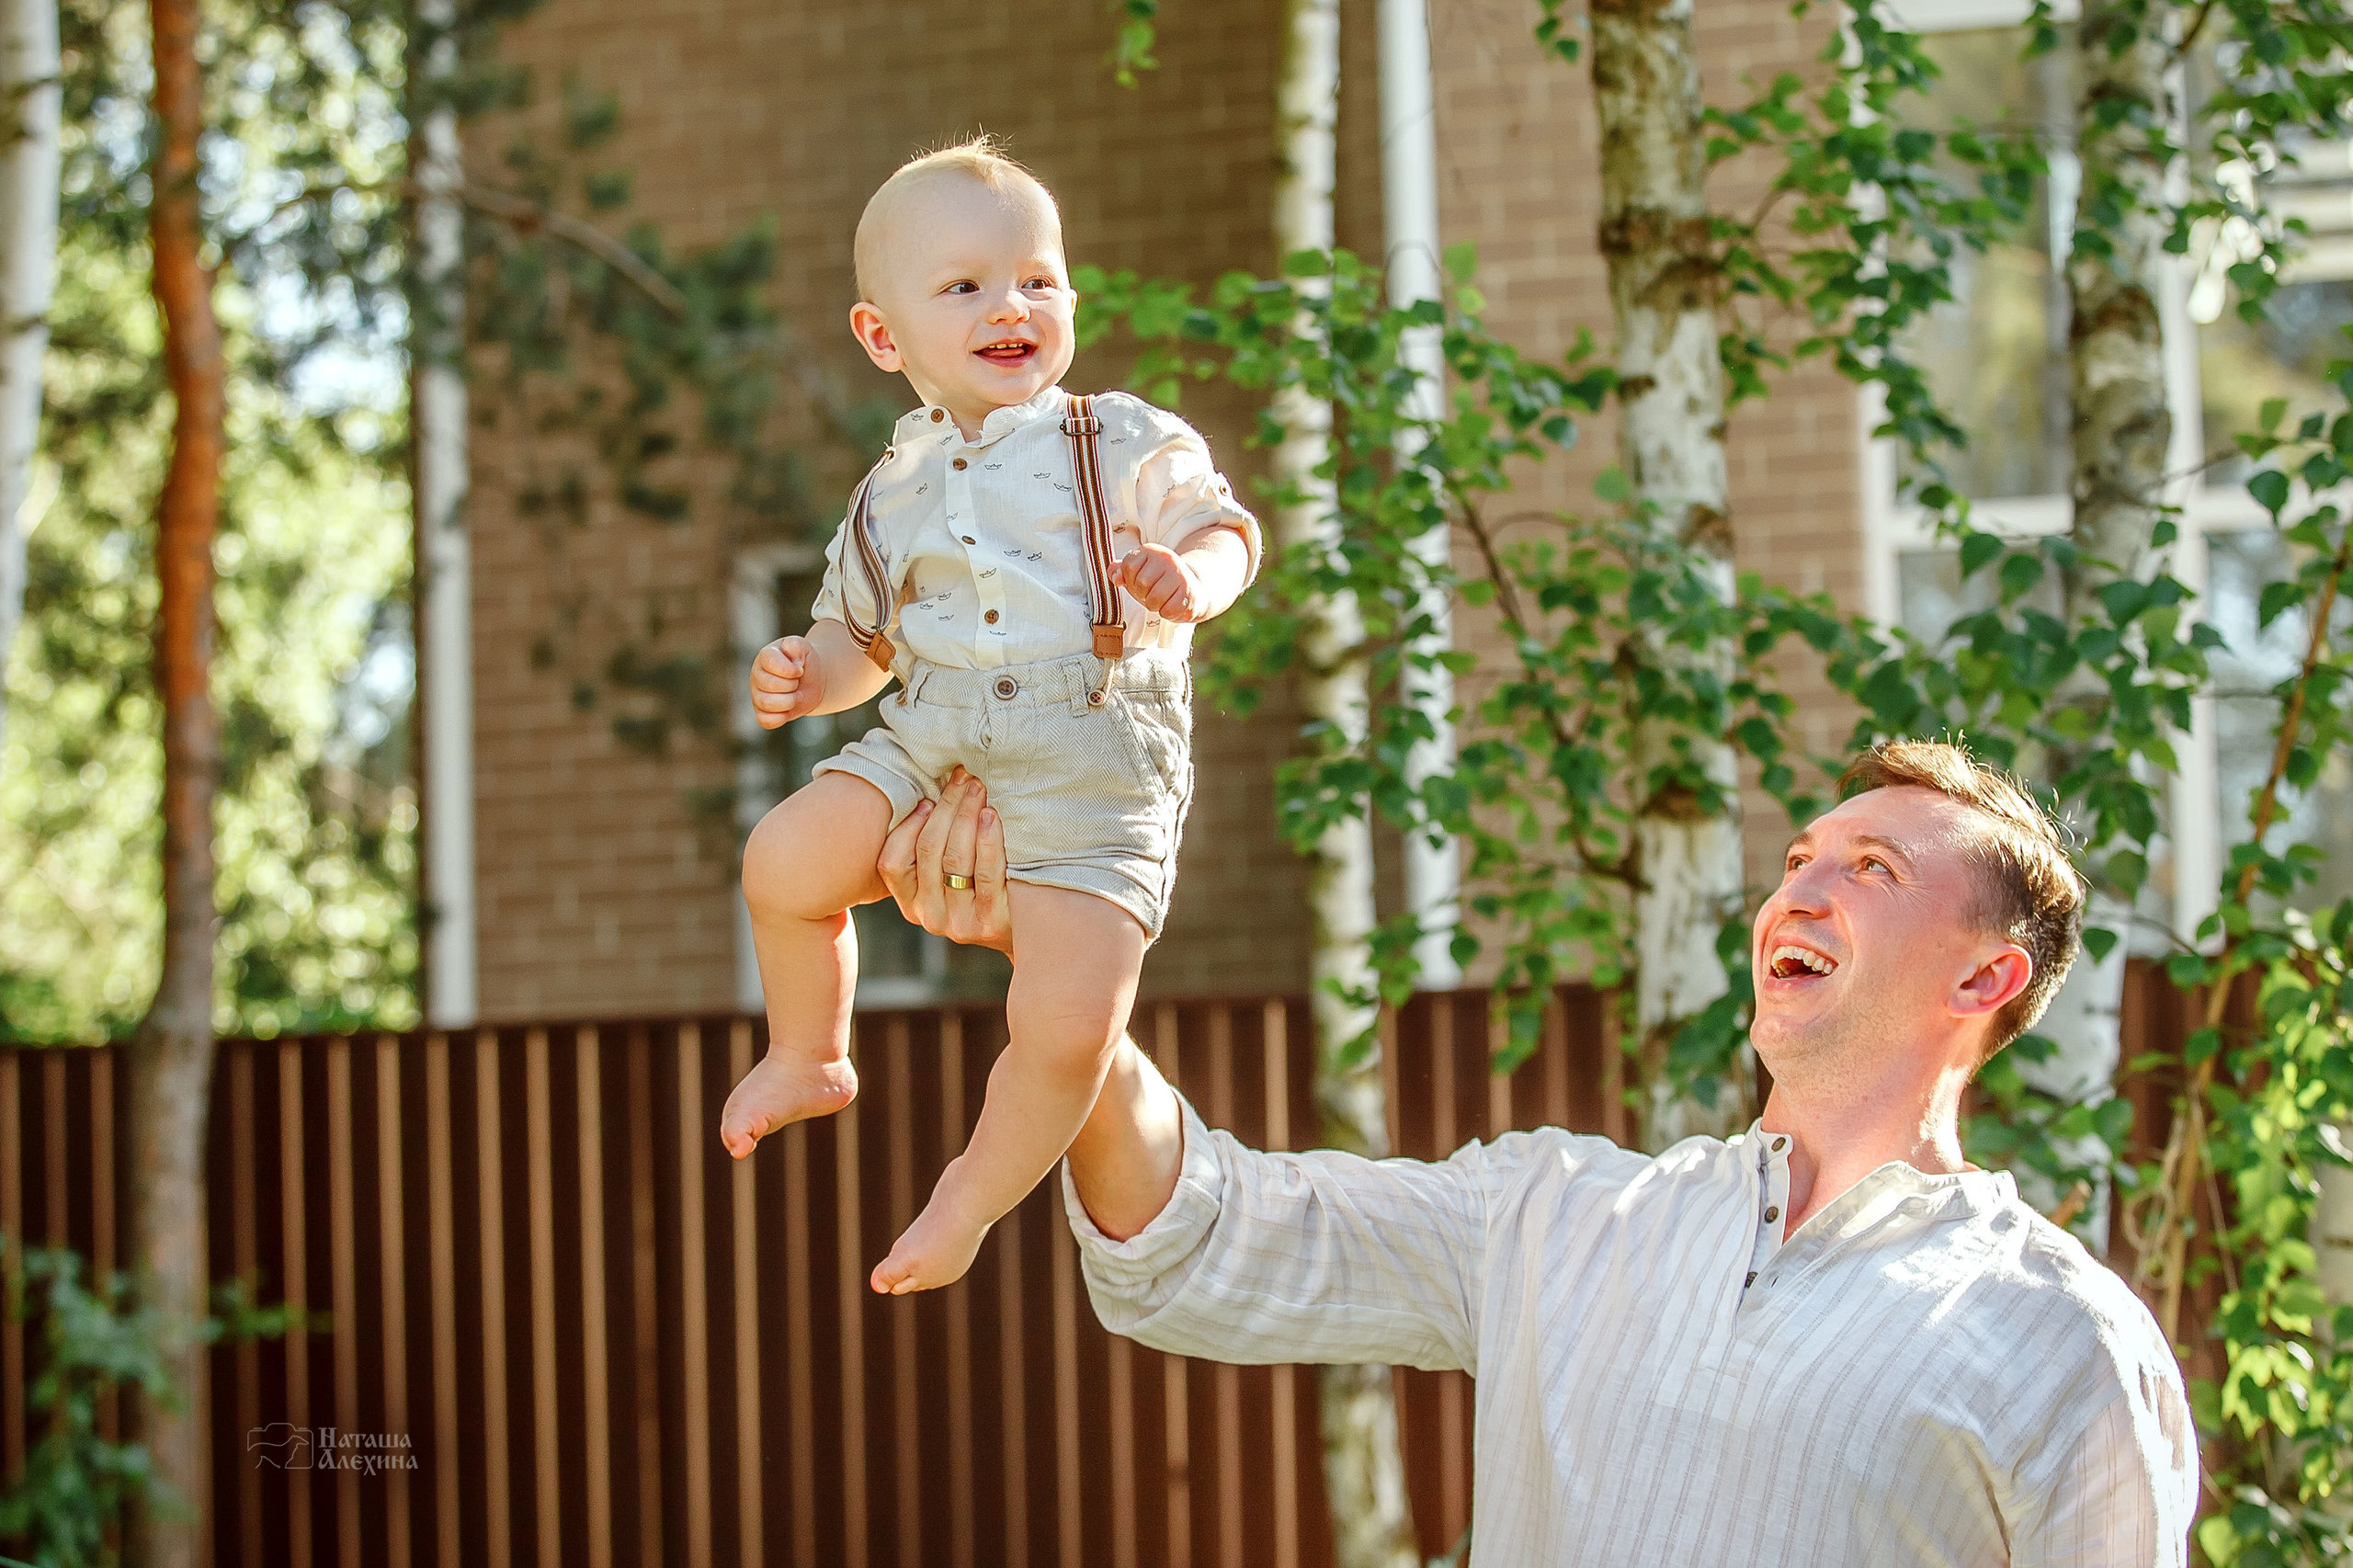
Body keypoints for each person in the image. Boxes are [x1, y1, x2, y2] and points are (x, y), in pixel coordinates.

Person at [875, 742, 2199, 1564]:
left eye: (1875, 870)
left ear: (1987, 978)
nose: (1800, 888)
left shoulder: (2062, 1341)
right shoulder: (1560, 1215)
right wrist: (1065, 989)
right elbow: (1201, 1228)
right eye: (1799, 858)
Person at [718, 137, 1258, 1297]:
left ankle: (969, 1198)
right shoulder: (889, 490)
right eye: (964, 286)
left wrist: (1190, 579)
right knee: (782, 860)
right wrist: (804, 677)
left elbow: (1224, 525)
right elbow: (857, 642)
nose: (1011, 305)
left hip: (1096, 749)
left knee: (1065, 1021)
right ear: (883, 336)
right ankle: (809, 1049)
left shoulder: (1117, 436)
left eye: (1038, 278)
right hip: (939, 731)